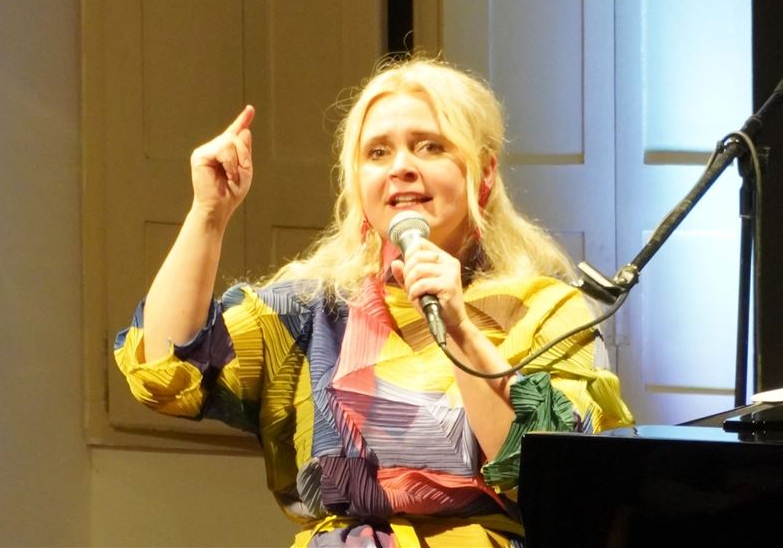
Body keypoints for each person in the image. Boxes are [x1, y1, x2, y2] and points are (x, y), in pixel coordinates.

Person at [114, 57, 634, 547]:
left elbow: (555, 475)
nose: (401, 167)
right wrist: (209, 213)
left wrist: (459, 328)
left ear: (485, 174)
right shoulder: (316, 310)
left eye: (430, 146)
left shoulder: (544, 310)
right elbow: (167, 370)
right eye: (378, 153)